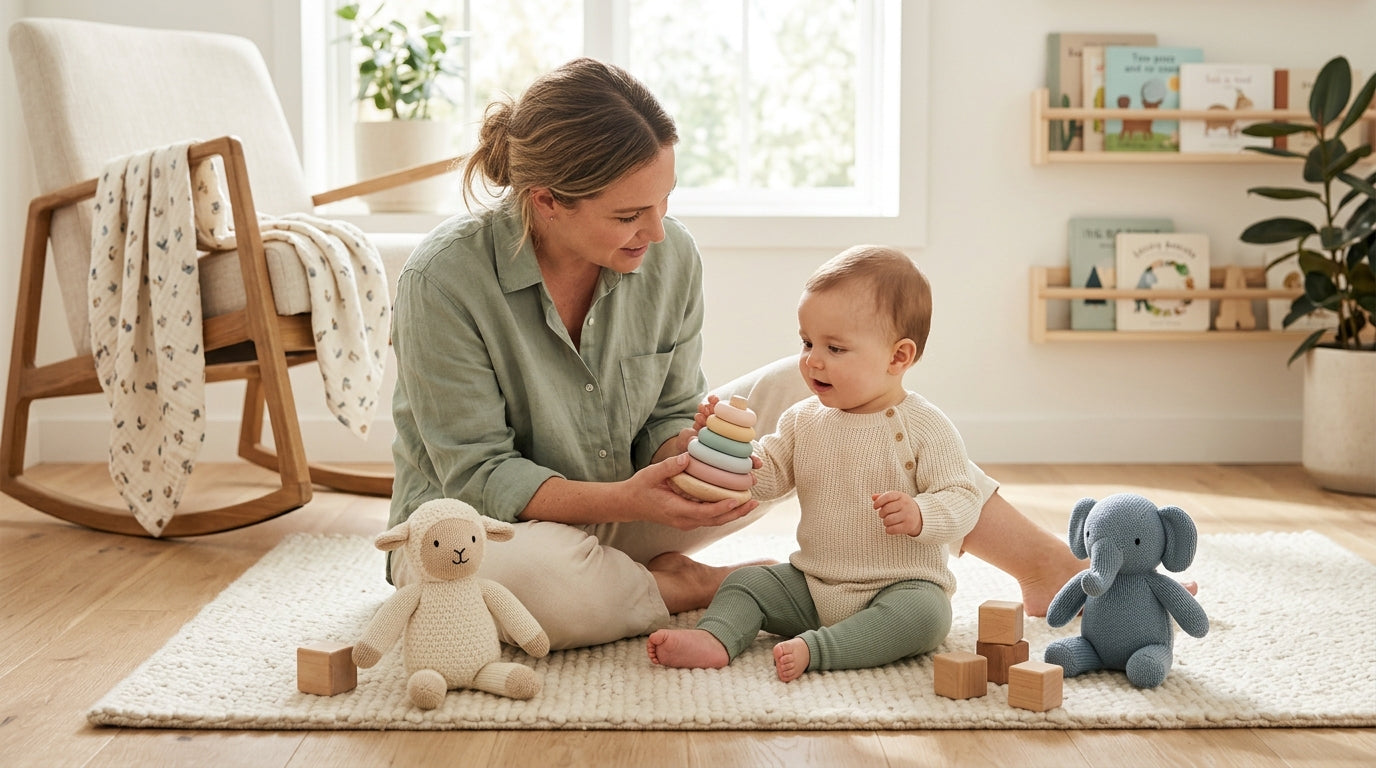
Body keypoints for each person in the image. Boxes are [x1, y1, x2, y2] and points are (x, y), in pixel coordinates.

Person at [387, 57, 1089, 652]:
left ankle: (1048, 565)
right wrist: (626, 498)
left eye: (664, 202)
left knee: (832, 384)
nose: (657, 233)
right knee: (500, 583)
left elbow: (664, 410)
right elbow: (478, 474)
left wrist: (686, 452)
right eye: (630, 216)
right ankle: (699, 585)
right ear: (546, 201)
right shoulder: (442, 281)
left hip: (626, 507)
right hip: (489, 535)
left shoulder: (669, 256)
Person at [647, 246, 979, 681]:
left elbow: (962, 496)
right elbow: (765, 477)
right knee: (747, 584)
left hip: (897, 586)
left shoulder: (924, 426)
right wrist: (724, 445)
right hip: (813, 586)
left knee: (928, 616)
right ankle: (716, 638)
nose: (812, 360)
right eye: (807, 343)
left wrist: (922, 514)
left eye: (835, 348)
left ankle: (822, 648)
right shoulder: (803, 419)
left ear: (898, 357)